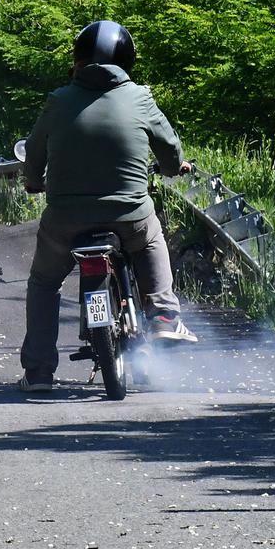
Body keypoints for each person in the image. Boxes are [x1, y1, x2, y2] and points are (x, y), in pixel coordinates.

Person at [17, 20, 196, 391]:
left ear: (78, 59)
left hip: (65, 220)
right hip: (128, 215)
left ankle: (38, 372)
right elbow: (169, 148)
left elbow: (34, 150)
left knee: (44, 283)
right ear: (127, 60)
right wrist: (172, 167)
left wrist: (34, 181)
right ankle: (163, 315)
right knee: (150, 238)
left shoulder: (59, 100)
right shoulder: (140, 97)